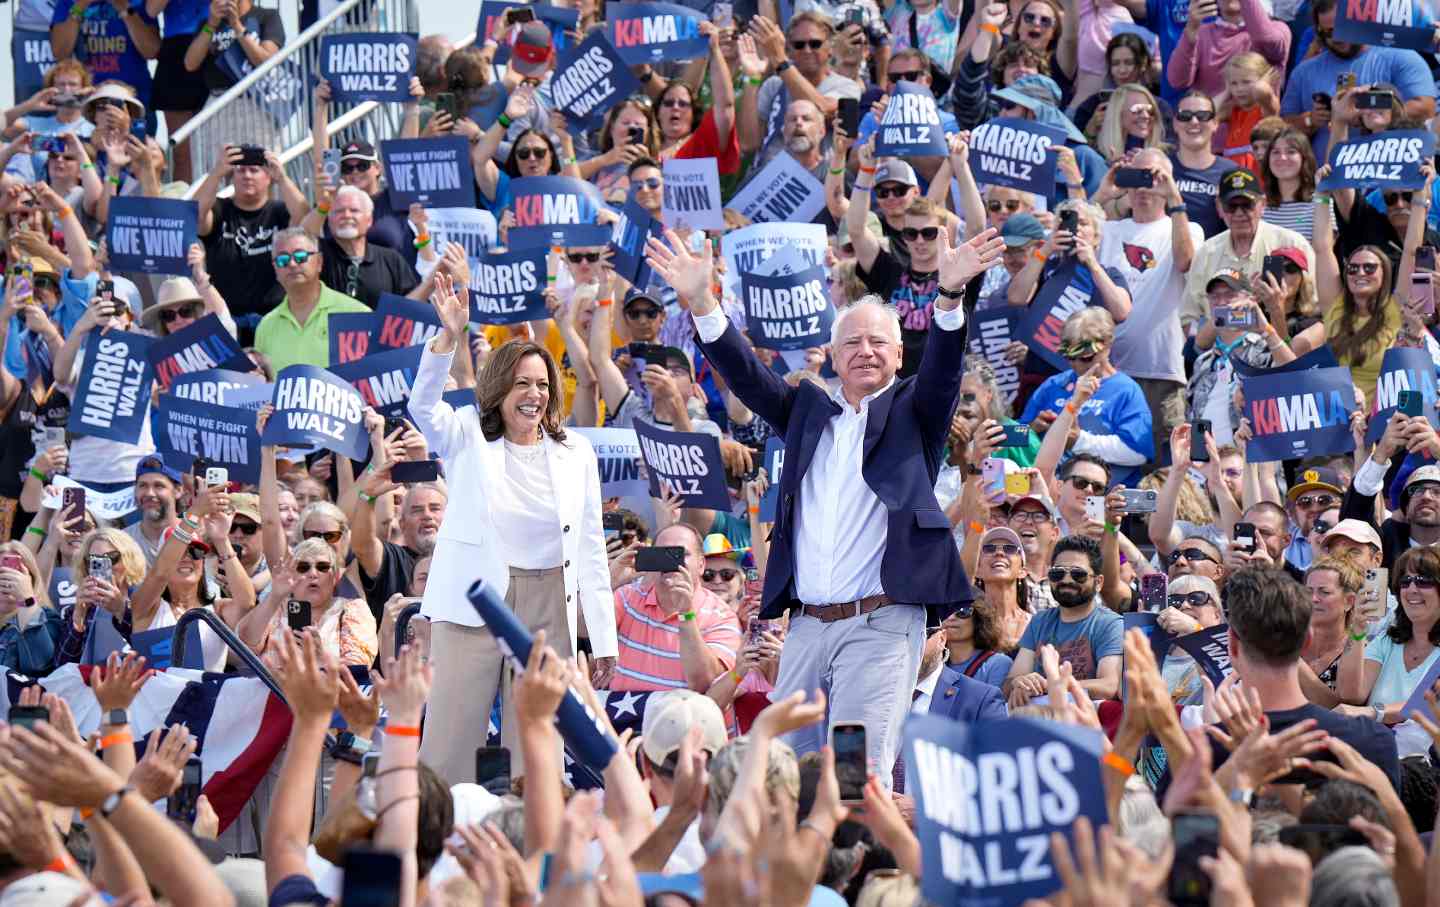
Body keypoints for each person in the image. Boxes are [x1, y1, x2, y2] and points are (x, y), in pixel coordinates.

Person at [647, 220, 1005, 783]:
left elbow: (941, 370)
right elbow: (747, 376)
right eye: (852, 343)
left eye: (878, 342)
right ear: (834, 357)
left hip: (881, 622)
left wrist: (950, 295)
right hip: (807, 627)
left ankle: (859, 870)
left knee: (855, 779)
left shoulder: (917, 413)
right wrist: (702, 302)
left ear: (897, 354)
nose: (865, 352)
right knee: (783, 774)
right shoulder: (809, 412)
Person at [408, 273, 616, 784]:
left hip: (549, 605)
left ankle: (526, 853)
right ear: (499, 387)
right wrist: (447, 337)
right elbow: (422, 408)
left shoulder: (577, 452)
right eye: (522, 383)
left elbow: (590, 547)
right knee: (449, 748)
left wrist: (603, 637)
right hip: (473, 602)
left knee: (536, 754)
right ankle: (439, 851)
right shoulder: (467, 433)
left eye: (543, 384)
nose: (534, 394)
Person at [1214, 565, 1400, 789]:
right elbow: (1390, 820)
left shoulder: (1212, 746)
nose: (1314, 598)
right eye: (1308, 591)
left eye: (1324, 591)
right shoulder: (1373, 740)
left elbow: (1348, 699)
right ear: (1307, 639)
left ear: (1232, 646)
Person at [1020, 307, 1154, 488]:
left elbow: (1138, 452)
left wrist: (1079, 440)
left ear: (1108, 344)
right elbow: (1013, 437)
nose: (1076, 365)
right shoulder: (1053, 385)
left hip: (1102, 500)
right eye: (1069, 357)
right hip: (1052, 493)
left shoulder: (1126, 390)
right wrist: (1032, 429)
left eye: (1086, 358)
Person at [611, 527, 743, 692]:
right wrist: (609, 583)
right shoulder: (628, 596)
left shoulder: (722, 616)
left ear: (701, 564)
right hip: (623, 714)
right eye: (664, 553)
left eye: (681, 554)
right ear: (653, 559)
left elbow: (704, 683)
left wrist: (686, 614)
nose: (673, 563)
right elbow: (582, 630)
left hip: (678, 716)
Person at [1336, 547, 1440, 756]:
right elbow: (1350, 694)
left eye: (1423, 581)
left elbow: (1423, 704)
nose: (1411, 589)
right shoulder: (1387, 640)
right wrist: (1357, 629)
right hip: (1378, 757)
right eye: (1405, 581)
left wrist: (1371, 713)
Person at [1001, 536, 1124, 707]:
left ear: (1098, 582)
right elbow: (1009, 683)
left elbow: (1108, 686)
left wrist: (1051, 685)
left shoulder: (1110, 623)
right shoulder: (1040, 621)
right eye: (1058, 573)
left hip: (1084, 724)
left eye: (1078, 574)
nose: (1066, 580)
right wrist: (1020, 683)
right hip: (1037, 722)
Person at [252, 228, 369, 375]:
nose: (292, 264)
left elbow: (370, 376)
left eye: (300, 256)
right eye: (283, 260)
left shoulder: (356, 314)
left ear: (319, 262)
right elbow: (263, 382)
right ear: (275, 268)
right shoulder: (266, 326)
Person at [1169, 92, 1239, 239]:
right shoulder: (1161, 168)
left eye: (1203, 115)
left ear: (1215, 123)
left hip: (1214, 258)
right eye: (1185, 115)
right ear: (1175, 124)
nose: (1194, 121)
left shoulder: (1231, 172)